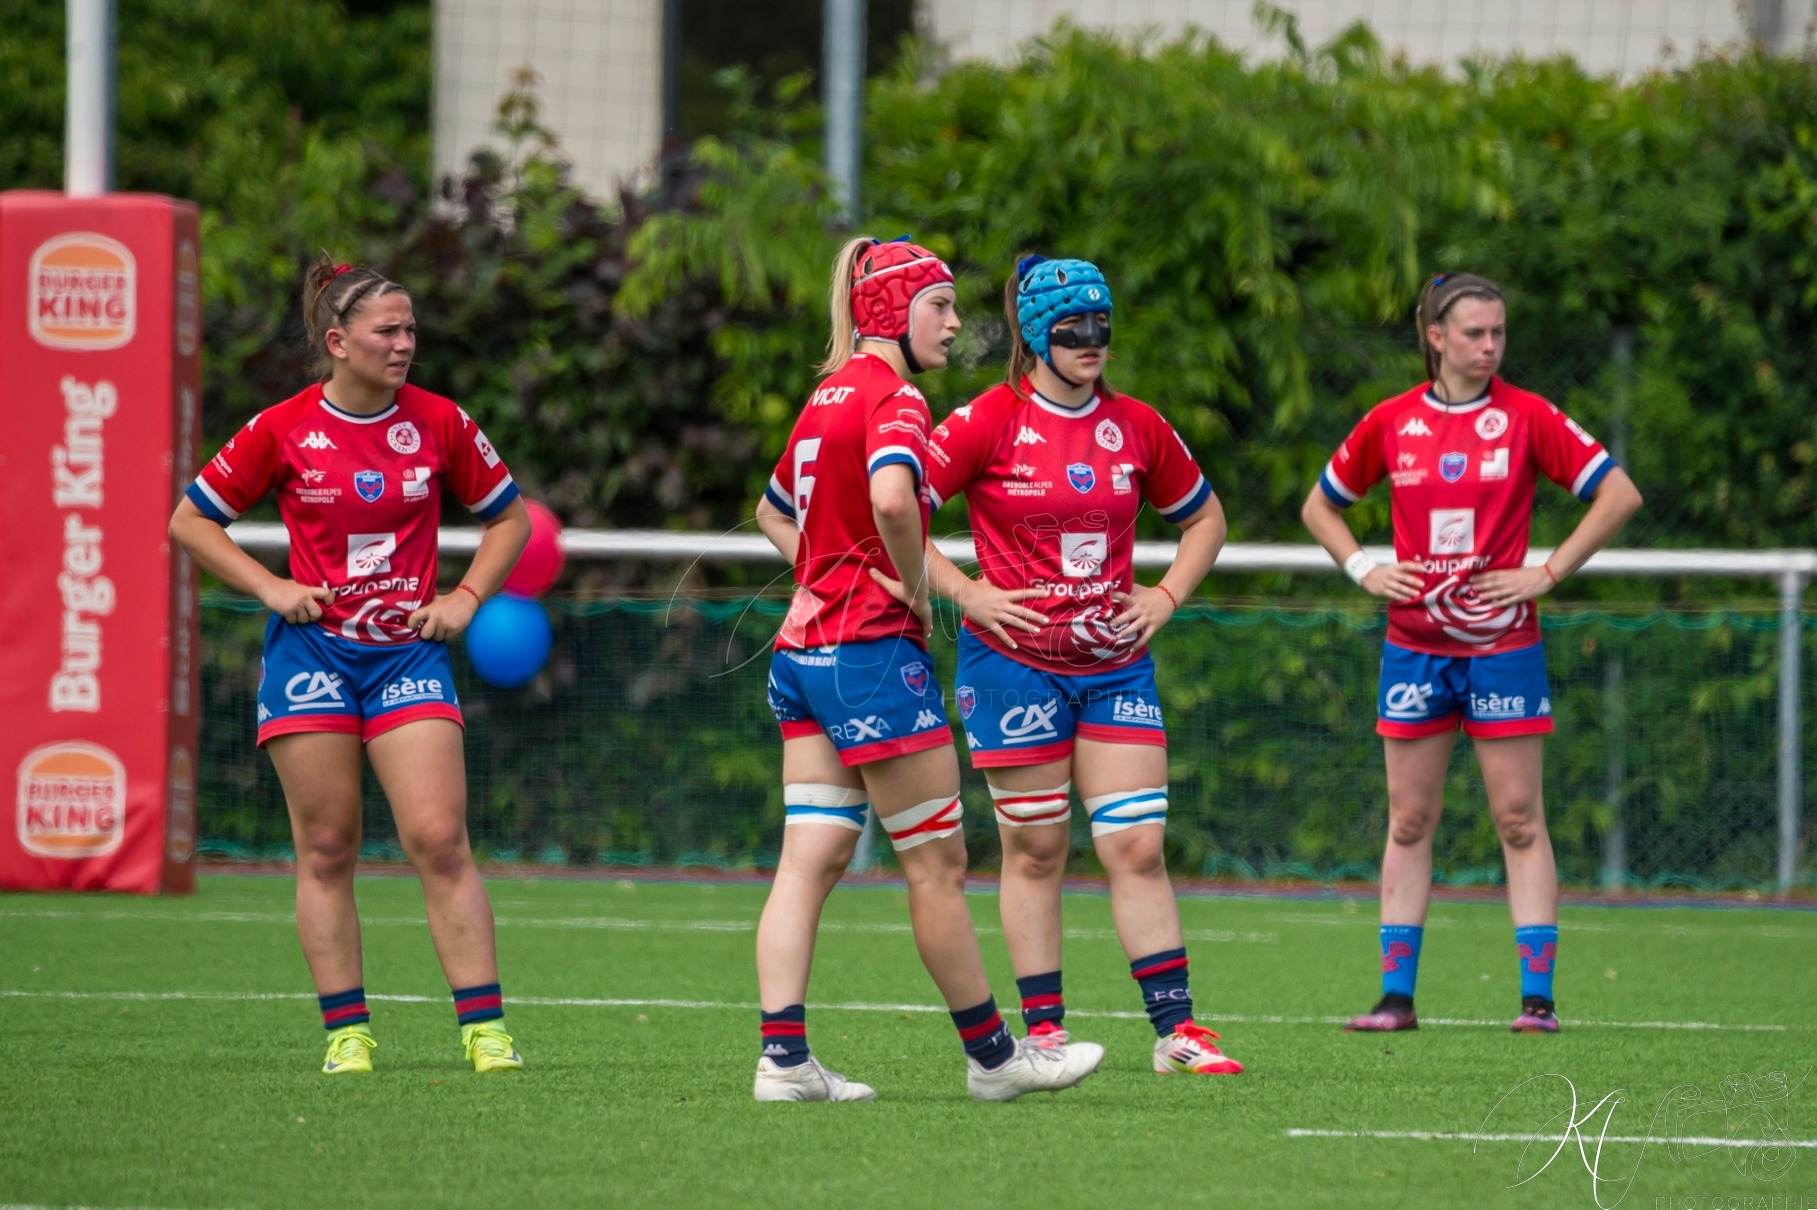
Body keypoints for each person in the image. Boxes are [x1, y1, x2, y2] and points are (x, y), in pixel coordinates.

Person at [750, 236, 1105, 1102]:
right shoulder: (895, 397)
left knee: (807, 860)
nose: (953, 323)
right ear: (889, 311)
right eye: (938, 306)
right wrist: (917, 590)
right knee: (936, 867)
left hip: (801, 654)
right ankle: (995, 1060)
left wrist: (826, 574)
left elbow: (770, 511)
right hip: (869, 657)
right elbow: (890, 499)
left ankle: (783, 1063)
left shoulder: (825, 395)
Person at [169, 254, 533, 1074]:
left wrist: (466, 599)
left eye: (411, 330)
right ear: (338, 341)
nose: (404, 344)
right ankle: (348, 1034)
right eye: (387, 331)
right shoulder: (282, 427)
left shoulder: (440, 421)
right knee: (329, 845)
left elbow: (510, 519)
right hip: (312, 656)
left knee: (438, 837)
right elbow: (190, 520)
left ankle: (485, 1031)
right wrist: (271, 588)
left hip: (407, 654)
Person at [910, 254, 1243, 1076]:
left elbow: (1205, 520)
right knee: (1036, 849)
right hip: (1011, 666)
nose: (1092, 339)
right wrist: (967, 594)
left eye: (1101, 324)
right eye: (1071, 328)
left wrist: (1164, 597)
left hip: (1115, 666)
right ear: (1033, 336)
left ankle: (1177, 1032)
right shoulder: (985, 420)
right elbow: (891, 516)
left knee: (1137, 846)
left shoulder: (1137, 425)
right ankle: (1045, 1033)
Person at [1300, 272, 1642, 1033]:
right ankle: (1395, 999)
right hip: (1413, 648)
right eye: (1474, 333)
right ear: (1435, 337)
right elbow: (1319, 506)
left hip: (1502, 647)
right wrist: (1362, 567)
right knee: (1409, 820)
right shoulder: (1391, 421)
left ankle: (1537, 1001)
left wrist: (1546, 573)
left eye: (1498, 333)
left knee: (1518, 818)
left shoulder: (1527, 416)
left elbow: (1618, 494)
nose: (1490, 346)